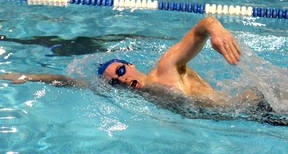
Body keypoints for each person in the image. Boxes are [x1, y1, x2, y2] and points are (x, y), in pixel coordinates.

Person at [0, 16, 269, 109]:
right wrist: (27, 77)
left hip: (258, 105)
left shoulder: (166, 67)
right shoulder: (145, 96)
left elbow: (202, 25)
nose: (122, 80)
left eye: (120, 71)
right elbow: (70, 82)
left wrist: (216, 29)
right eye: (115, 83)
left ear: (130, 66)